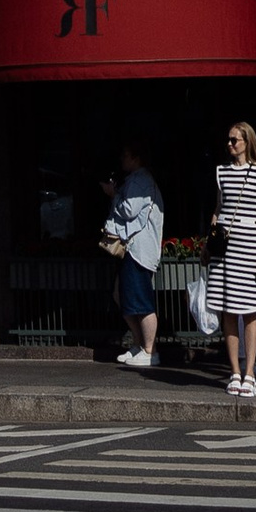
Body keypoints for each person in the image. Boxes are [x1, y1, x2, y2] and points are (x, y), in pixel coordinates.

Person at [212, 119, 256, 401]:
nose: (229, 144)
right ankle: (235, 371)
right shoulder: (221, 172)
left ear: (247, 142)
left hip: (249, 246)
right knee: (227, 310)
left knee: (250, 310)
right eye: (228, 139)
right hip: (225, 248)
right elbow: (218, 209)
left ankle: (250, 372)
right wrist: (208, 243)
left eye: (234, 140)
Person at [106, 142, 163, 371]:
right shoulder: (136, 179)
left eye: (126, 154)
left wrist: (114, 195)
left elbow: (130, 211)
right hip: (133, 249)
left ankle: (151, 351)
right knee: (123, 295)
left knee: (140, 301)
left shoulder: (141, 181)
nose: (122, 159)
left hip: (138, 249)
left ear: (135, 157)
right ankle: (140, 344)